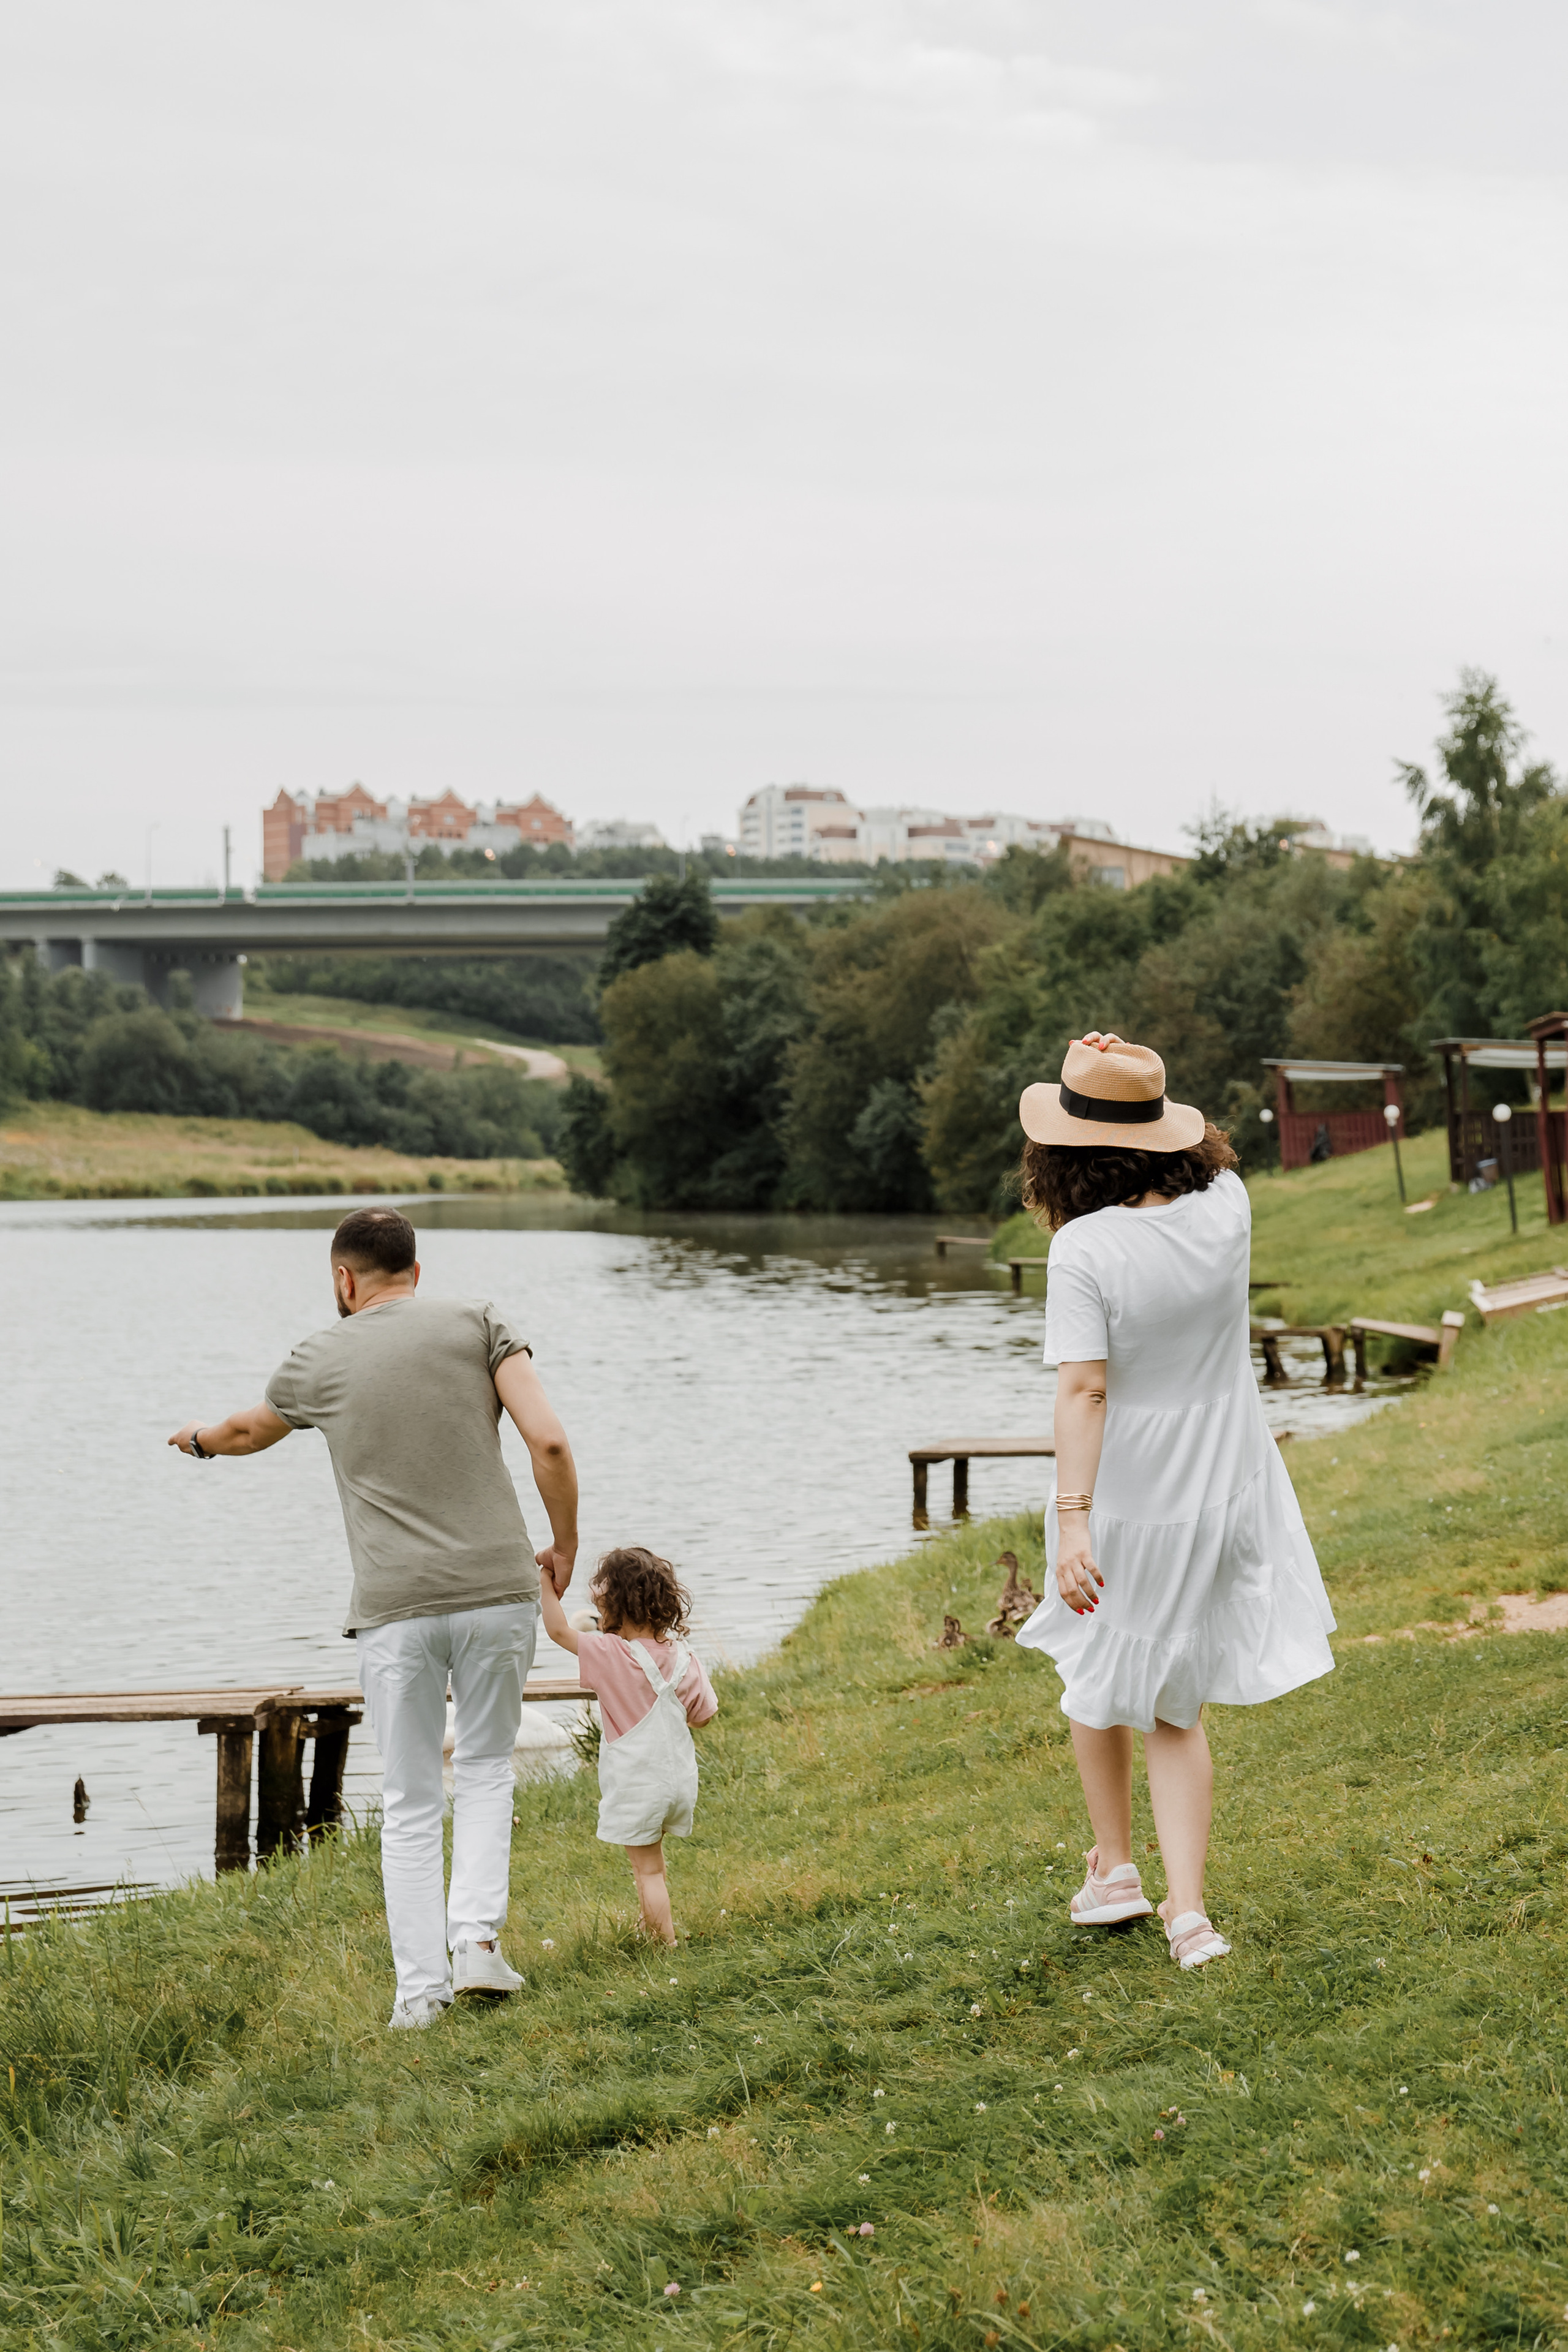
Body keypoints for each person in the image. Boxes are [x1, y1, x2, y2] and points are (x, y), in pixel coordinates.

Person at [167, 1205, 579, 2029]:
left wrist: (200, 1441)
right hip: (498, 1592)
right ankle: (480, 1947)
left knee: (412, 1796)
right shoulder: (483, 1322)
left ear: (343, 1282)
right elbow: (551, 1445)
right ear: (416, 1274)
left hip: (396, 1610)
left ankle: (418, 1996)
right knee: (489, 1770)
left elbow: (250, 1429)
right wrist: (564, 1545)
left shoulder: (320, 1357)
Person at [1013, 1033, 1335, 1969]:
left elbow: (1085, 1391)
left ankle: (1115, 1867)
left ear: (1065, 1151)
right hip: (1225, 1478)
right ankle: (1187, 1915)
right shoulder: (1227, 1202)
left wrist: (1073, 1519)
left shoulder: (1084, 1249)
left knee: (1093, 1657)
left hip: (1129, 1487)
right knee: (1174, 1702)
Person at [538, 1546, 716, 1945]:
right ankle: (653, 1922)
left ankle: (662, 1944)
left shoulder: (611, 1653)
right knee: (654, 1864)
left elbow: (557, 1630)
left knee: (647, 1870)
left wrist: (545, 1584)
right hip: (679, 1782)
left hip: (638, 1785)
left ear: (614, 1607)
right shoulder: (684, 1656)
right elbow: (703, 1716)